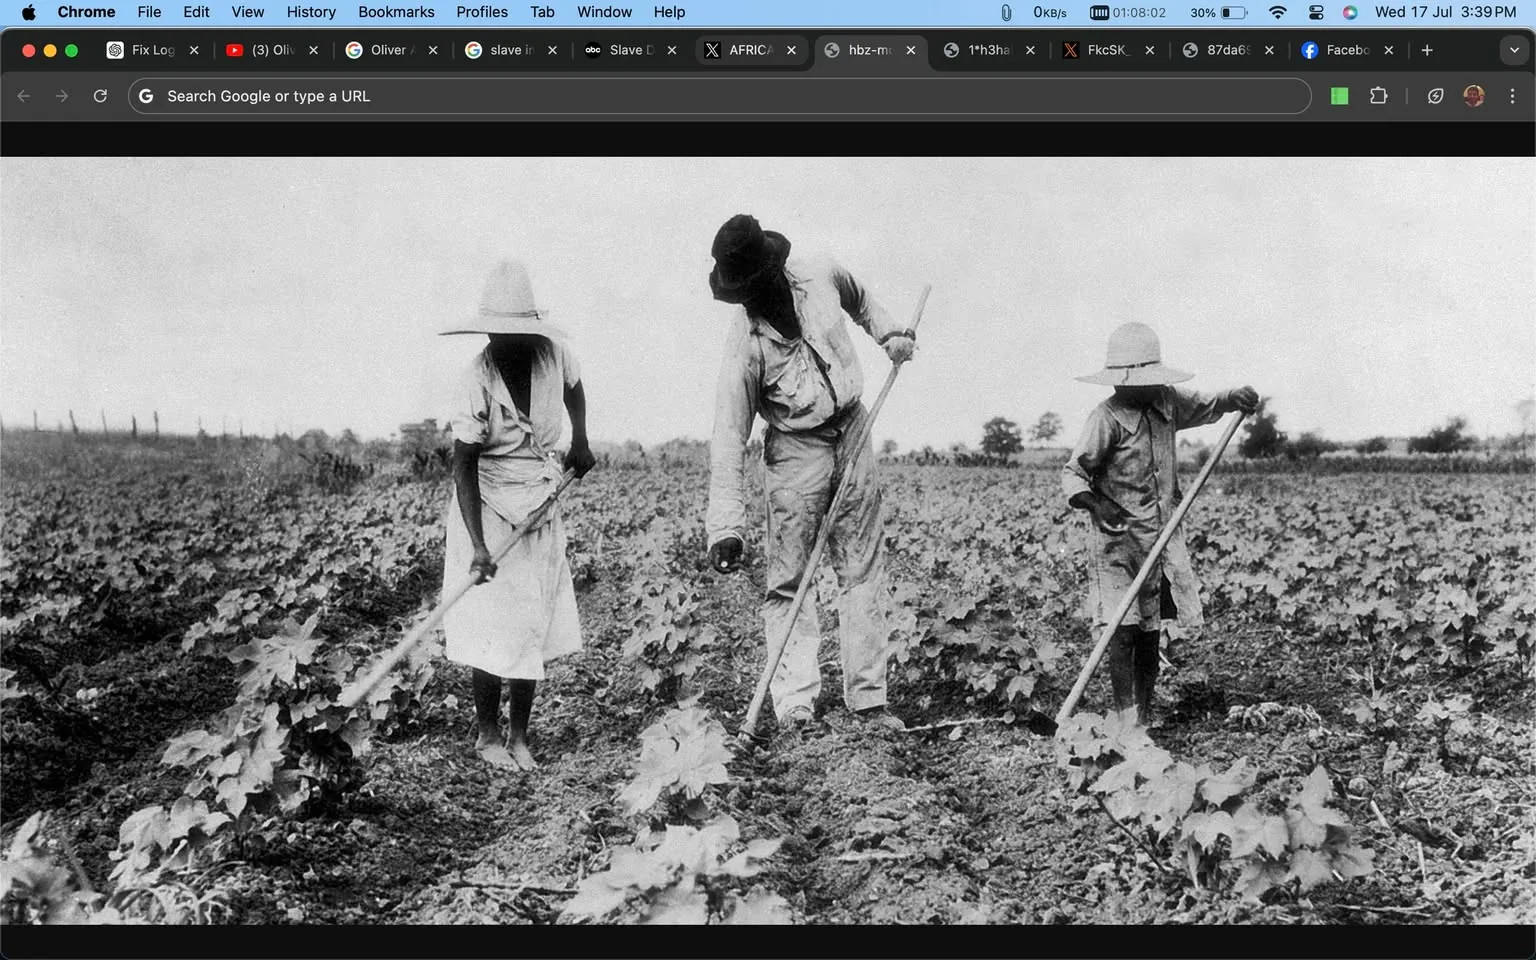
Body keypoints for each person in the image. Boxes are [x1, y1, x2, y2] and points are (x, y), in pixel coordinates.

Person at [703, 214, 916, 735]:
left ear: (775, 270)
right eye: (742, 294)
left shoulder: (820, 276)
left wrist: (890, 334)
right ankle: (795, 703)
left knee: (862, 566)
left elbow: (860, 297)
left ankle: (868, 699)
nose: (750, 300)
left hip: (853, 428)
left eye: (755, 287)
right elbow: (729, 436)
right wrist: (725, 525)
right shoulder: (746, 345)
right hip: (796, 449)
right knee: (789, 578)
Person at [440, 259, 596, 770]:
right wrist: (479, 545)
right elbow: (463, 463)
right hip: (484, 501)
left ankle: (519, 736)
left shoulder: (554, 356)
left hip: (538, 495)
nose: (508, 341)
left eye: (517, 333)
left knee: (531, 617)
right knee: (490, 622)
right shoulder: (476, 380)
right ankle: (487, 736)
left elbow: (575, 389)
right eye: (499, 333)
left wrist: (581, 440)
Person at [1062, 321, 1257, 729]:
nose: (1149, 387)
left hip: (1160, 537)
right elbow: (1073, 475)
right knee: (1122, 630)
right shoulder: (1106, 418)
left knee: (1149, 629)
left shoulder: (1167, 402)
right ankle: (1124, 715)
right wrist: (1098, 506)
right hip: (1116, 541)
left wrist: (1232, 397)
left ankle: (1144, 719)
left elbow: (1209, 404)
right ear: (1120, 382)